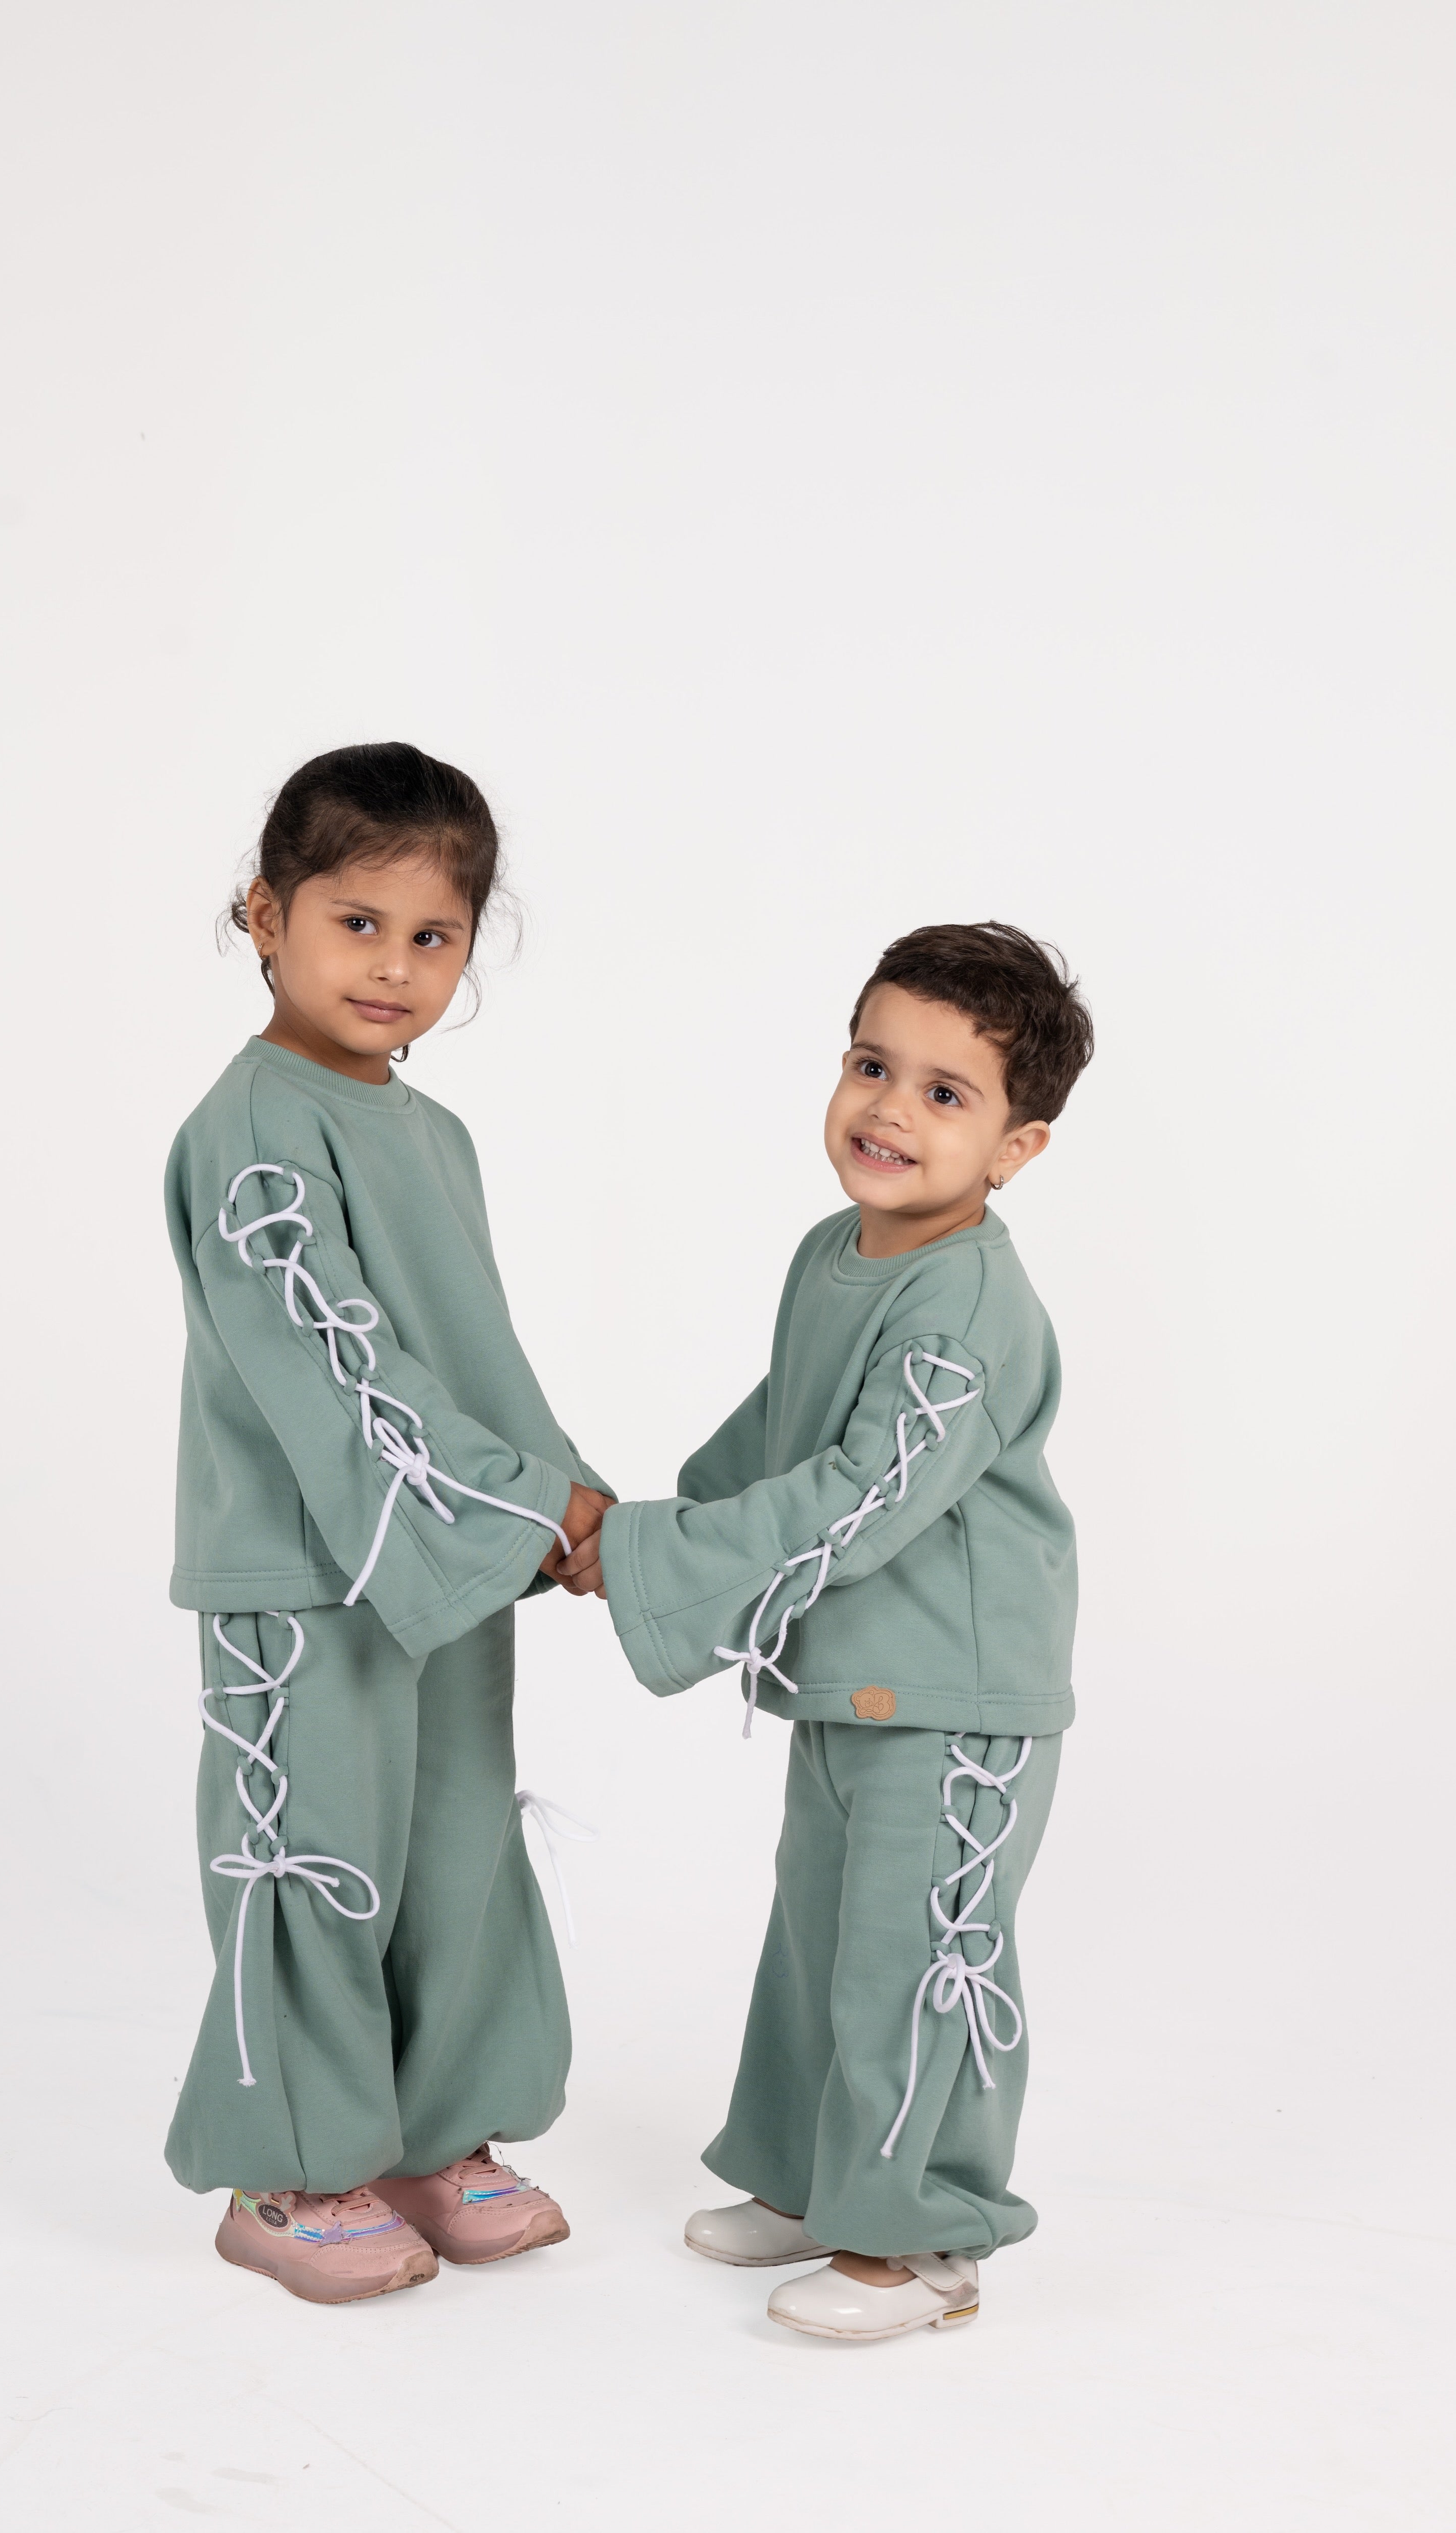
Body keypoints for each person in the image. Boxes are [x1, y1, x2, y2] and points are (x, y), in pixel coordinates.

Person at [562, 923, 1093, 2342]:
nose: (888, 1110)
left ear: (1016, 1147)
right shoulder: (835, 1249)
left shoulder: (970, 1305)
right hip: (855, 1680)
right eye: (872, 1064)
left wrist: (660, 1559)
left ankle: (924, 2237)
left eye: (943, 1093)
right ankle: (820, 2180)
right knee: (819, 1944)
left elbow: (868, 1495)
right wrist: (644, 1525)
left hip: (956, 1699)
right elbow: (787, 1432)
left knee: (920, 1961)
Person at [164, 742, 612, 2305]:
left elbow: (469, 1358)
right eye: (357, 922)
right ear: (265, 914)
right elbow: (334, 1352)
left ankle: (432, 2134)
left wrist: (558, 1499)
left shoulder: (433, 1136)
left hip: (451, 1559)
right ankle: (292, 2168)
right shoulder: (253, 1128)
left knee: (453, 1847)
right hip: (305, 1566)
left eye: (436, 937)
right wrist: (524, 1502)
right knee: (317, 1851)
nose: (396, 966)